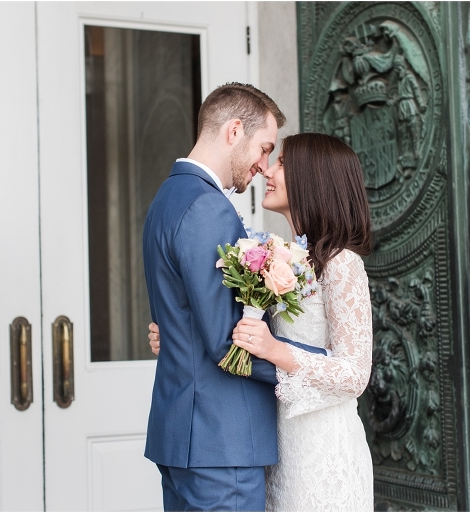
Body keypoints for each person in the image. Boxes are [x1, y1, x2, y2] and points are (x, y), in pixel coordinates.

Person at [149, 133, 374, 511]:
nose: (267, 170)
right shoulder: (278, 255)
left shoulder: (341, 264)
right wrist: (176, 334)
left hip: (322, 450)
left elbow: (355, 374)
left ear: (313, 177)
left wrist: (276, 349)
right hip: (279, 445)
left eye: (282, 162)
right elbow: (239, 330)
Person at [142, 83, 327, 512]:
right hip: (220, 442)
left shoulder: (166, 199)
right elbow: (231, 341)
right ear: (234, 131)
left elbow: (184, 316)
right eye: (264, 148)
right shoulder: (207, 207)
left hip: (184, 433)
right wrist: (314, 366)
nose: (264, 166)